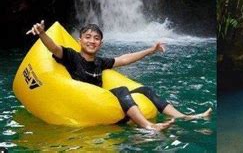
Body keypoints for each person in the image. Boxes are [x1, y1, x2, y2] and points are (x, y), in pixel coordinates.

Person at [26, 20, 212, 131]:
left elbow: (124, 59)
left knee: (146, 89)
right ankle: (148, 127)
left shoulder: (100, 62)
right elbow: (53, 47)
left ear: (100, 43)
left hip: (101, 99)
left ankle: (184, 117)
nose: (92, 41)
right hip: (85, 100)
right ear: (79, 40)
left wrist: (151, 50)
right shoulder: (70, 56)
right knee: (122, 89)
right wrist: (42, 33)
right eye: (88, 37)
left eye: (96, 38)